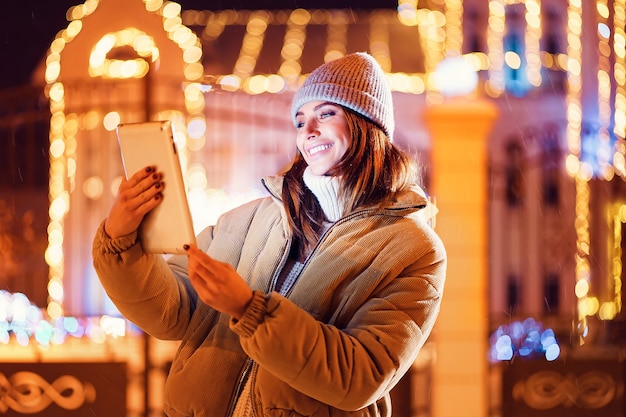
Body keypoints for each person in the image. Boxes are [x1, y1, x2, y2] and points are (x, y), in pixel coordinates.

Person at [93, 52, 447, 417]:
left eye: (326, 114)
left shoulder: (413, 249)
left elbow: (359, 376)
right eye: (299, 121)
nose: (308, 132)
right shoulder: (248, 221)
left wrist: (249, 310)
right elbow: (171, 312)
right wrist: (120, 239)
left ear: (365, 123)